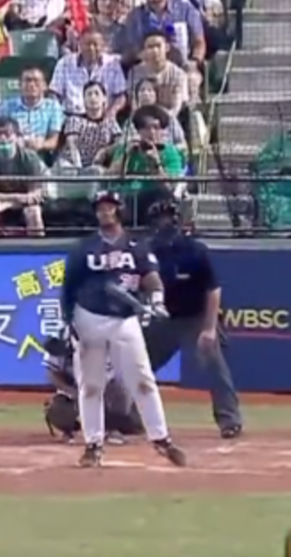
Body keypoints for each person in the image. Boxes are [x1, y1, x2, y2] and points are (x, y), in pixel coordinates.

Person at [58, 189, 185, 468]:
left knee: (142, 379)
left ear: (119, 210)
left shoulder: (135, 246)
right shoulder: (84, 249)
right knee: (91, 386)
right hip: (89, 316)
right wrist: (68, 321)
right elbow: (68, 288)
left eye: (110, 207)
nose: (105, 211)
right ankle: (93, 444)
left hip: (124, 319)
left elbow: (151, 277)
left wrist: (156, 300)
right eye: (101, 207)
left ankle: (161, 438)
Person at [143, 197, 242, 439]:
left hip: (197, 317)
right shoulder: (146, 251)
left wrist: (209, 329)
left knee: (214, 366)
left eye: (168, 219)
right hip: (164, 318)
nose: (164, 225)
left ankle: (229, 419)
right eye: (159, 220)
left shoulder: (194, 250)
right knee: (138, 366)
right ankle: (128, 417)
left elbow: (213, 289)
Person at [41, 337, 144, 445]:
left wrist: (91, 393)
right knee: (57, 407)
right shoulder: (61, 342)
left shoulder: (103, 345)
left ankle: (111, 427)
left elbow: (111, 379)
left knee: (121, 396)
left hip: (104, 389)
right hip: (74, 390)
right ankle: (69, 430)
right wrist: (72, 391)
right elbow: (51, 374)